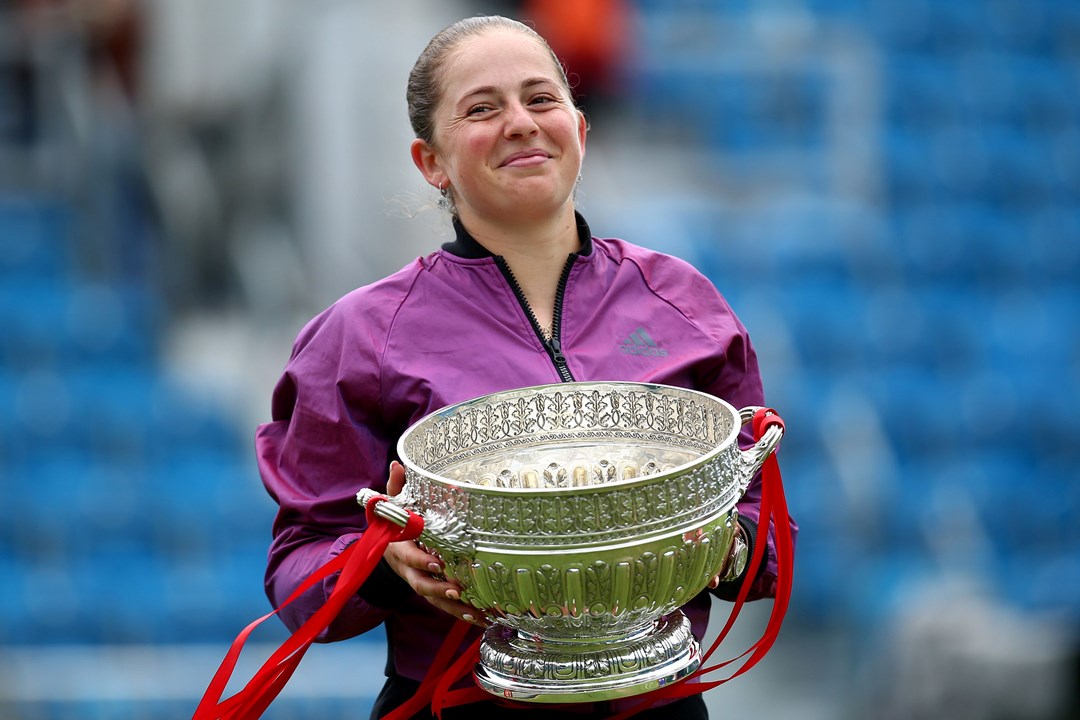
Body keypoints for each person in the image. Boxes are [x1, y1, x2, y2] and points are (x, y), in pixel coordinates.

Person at [255, 15, 797, 720]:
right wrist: (384, 568)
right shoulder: (360, 334)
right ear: (431, 162)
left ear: (580, 129)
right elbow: (299, 571)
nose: (520, 123)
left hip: (659, 701)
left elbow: (764, 517)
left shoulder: (683, 303)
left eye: (541, 100)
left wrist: (726, 544)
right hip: (459, 706)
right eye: (482, 109)